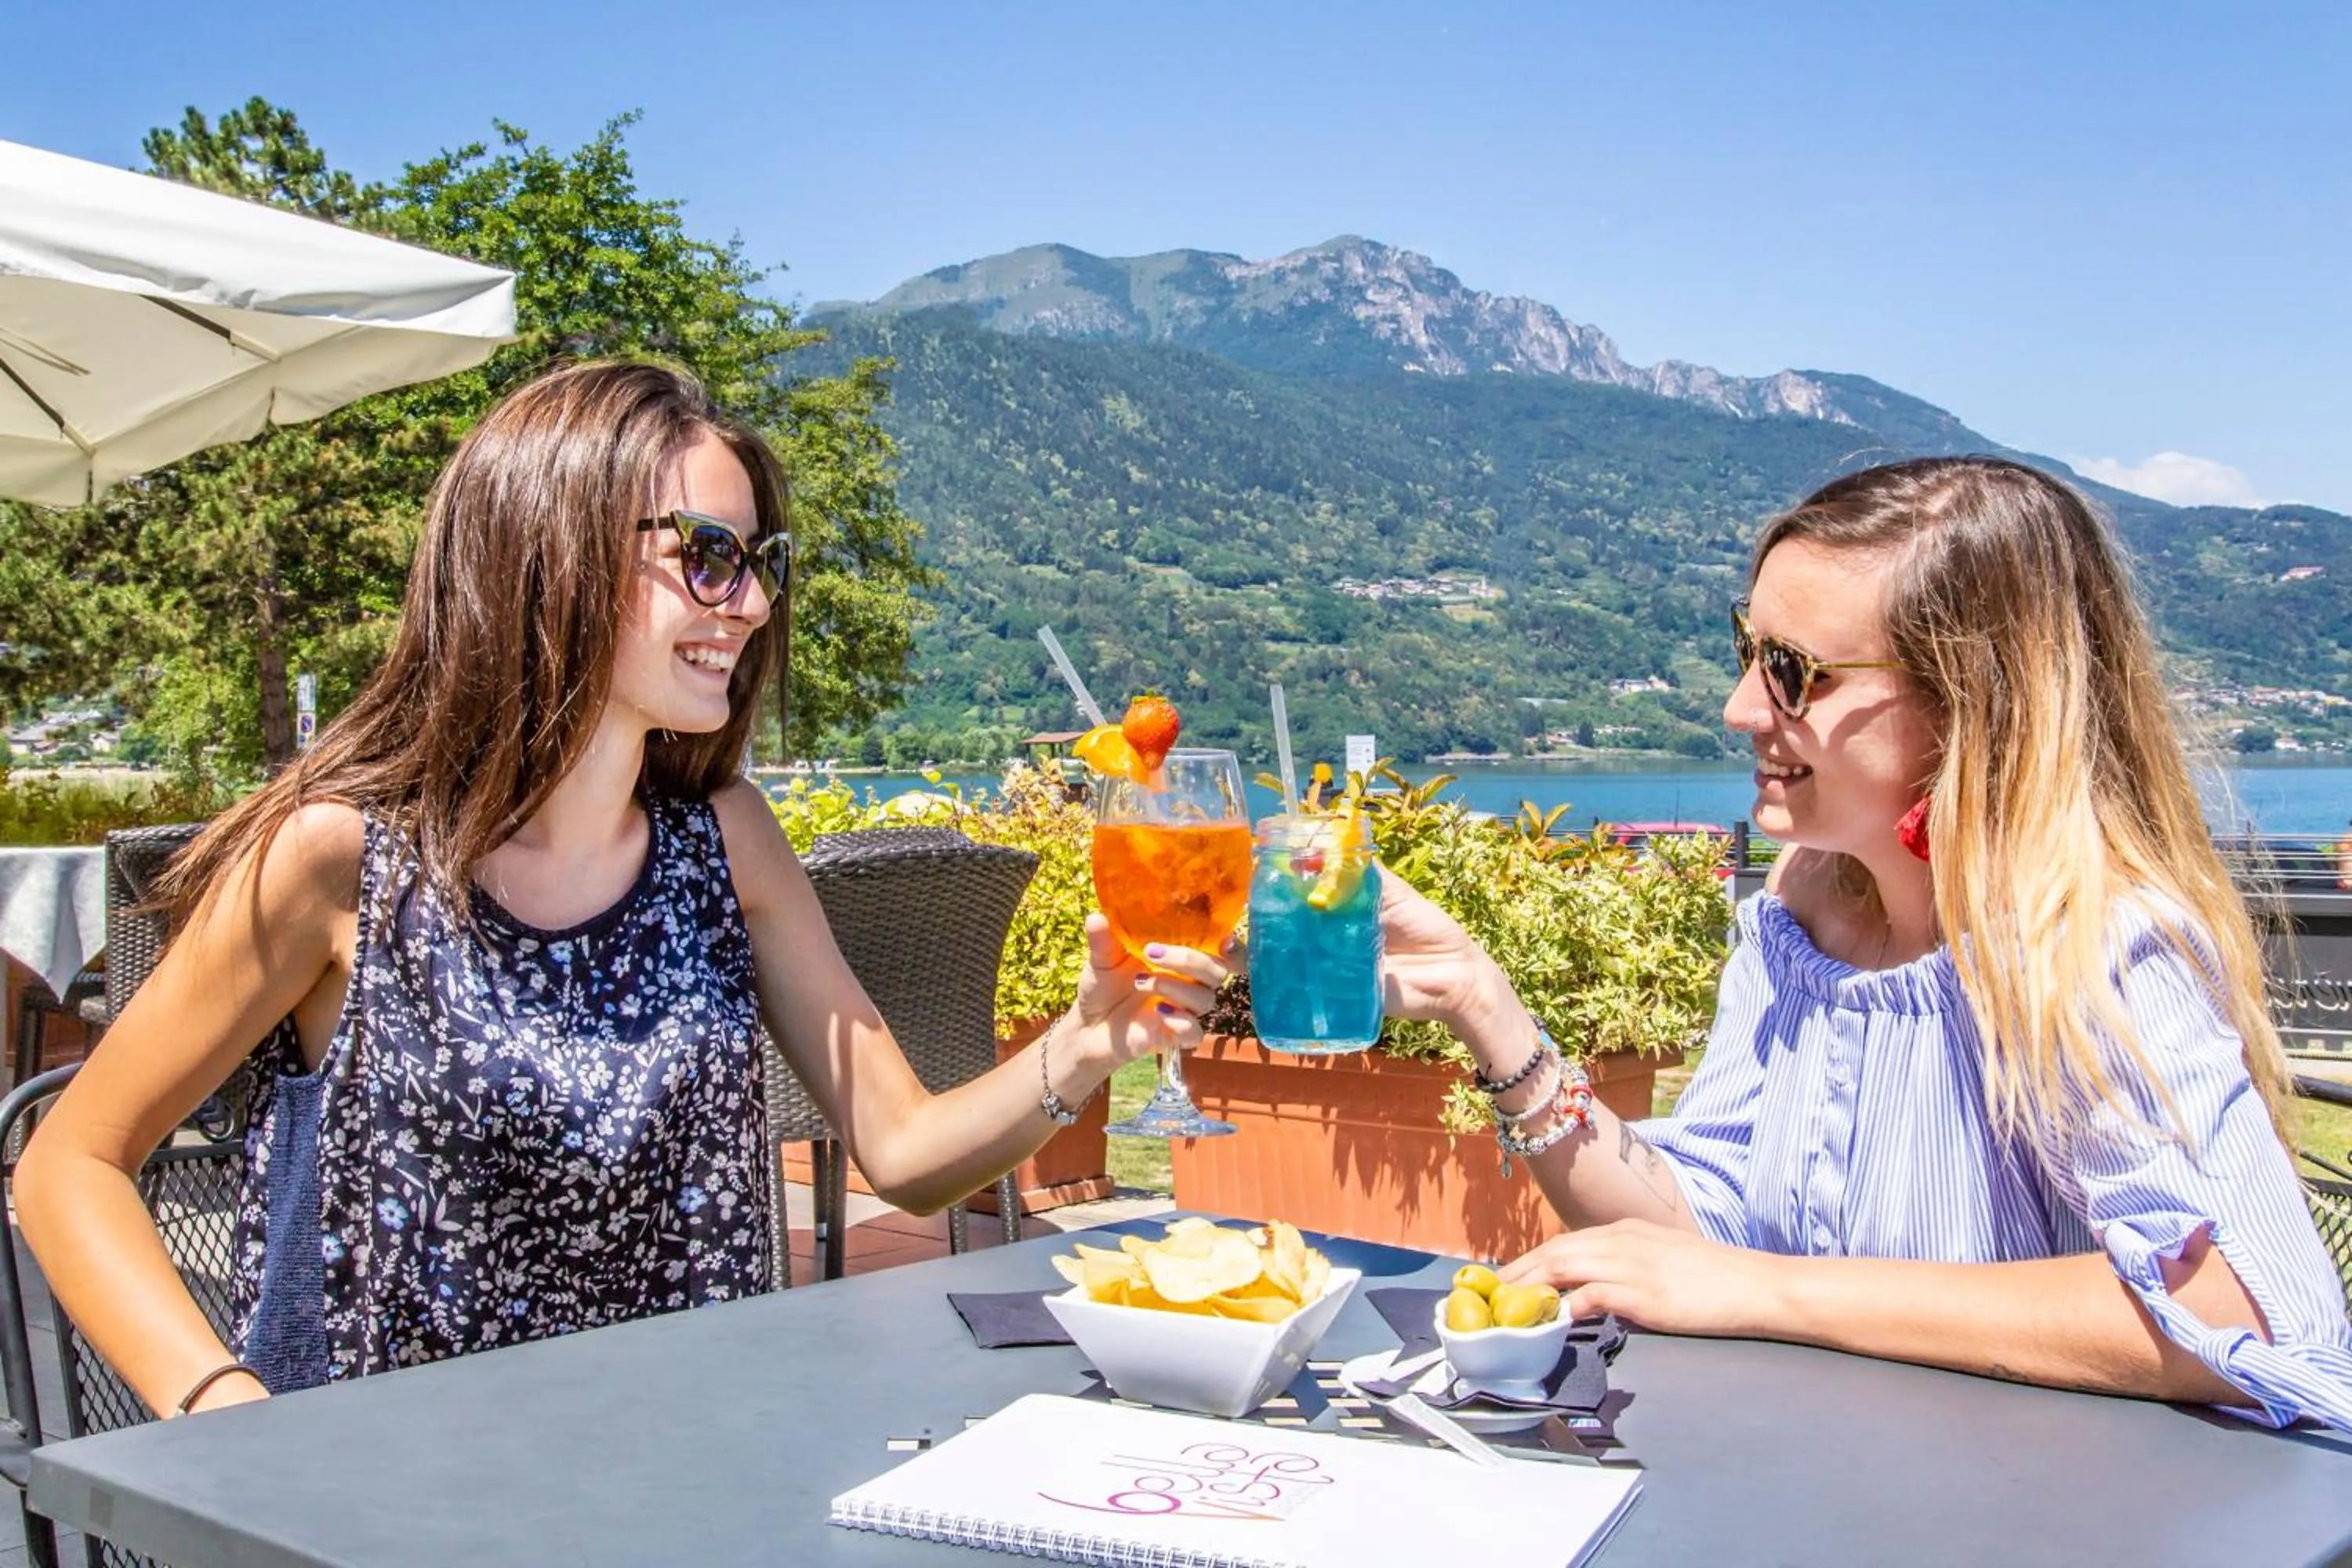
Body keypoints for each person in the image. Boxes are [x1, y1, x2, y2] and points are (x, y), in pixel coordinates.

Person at [12, 361, 1229, 1417]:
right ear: (548, 555)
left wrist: (1082, 1044)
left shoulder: (726, 839)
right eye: (705, 557)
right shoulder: (347, 859)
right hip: (390, 1510)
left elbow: (904, 1153)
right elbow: (70, 1165)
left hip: (682, 1473)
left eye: (759, 563)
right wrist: (222, 1407)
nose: (748, 603)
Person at [1376, 456, 2352, 1428]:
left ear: (1971, 701)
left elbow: (2246, 1309)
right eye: (1748, 649)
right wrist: (1481, 1000)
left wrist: (1769, 1290)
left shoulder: (2092, 946)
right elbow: (1694, 1228)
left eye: (1795, 671)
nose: (1743, 707)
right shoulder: (1801, 916)